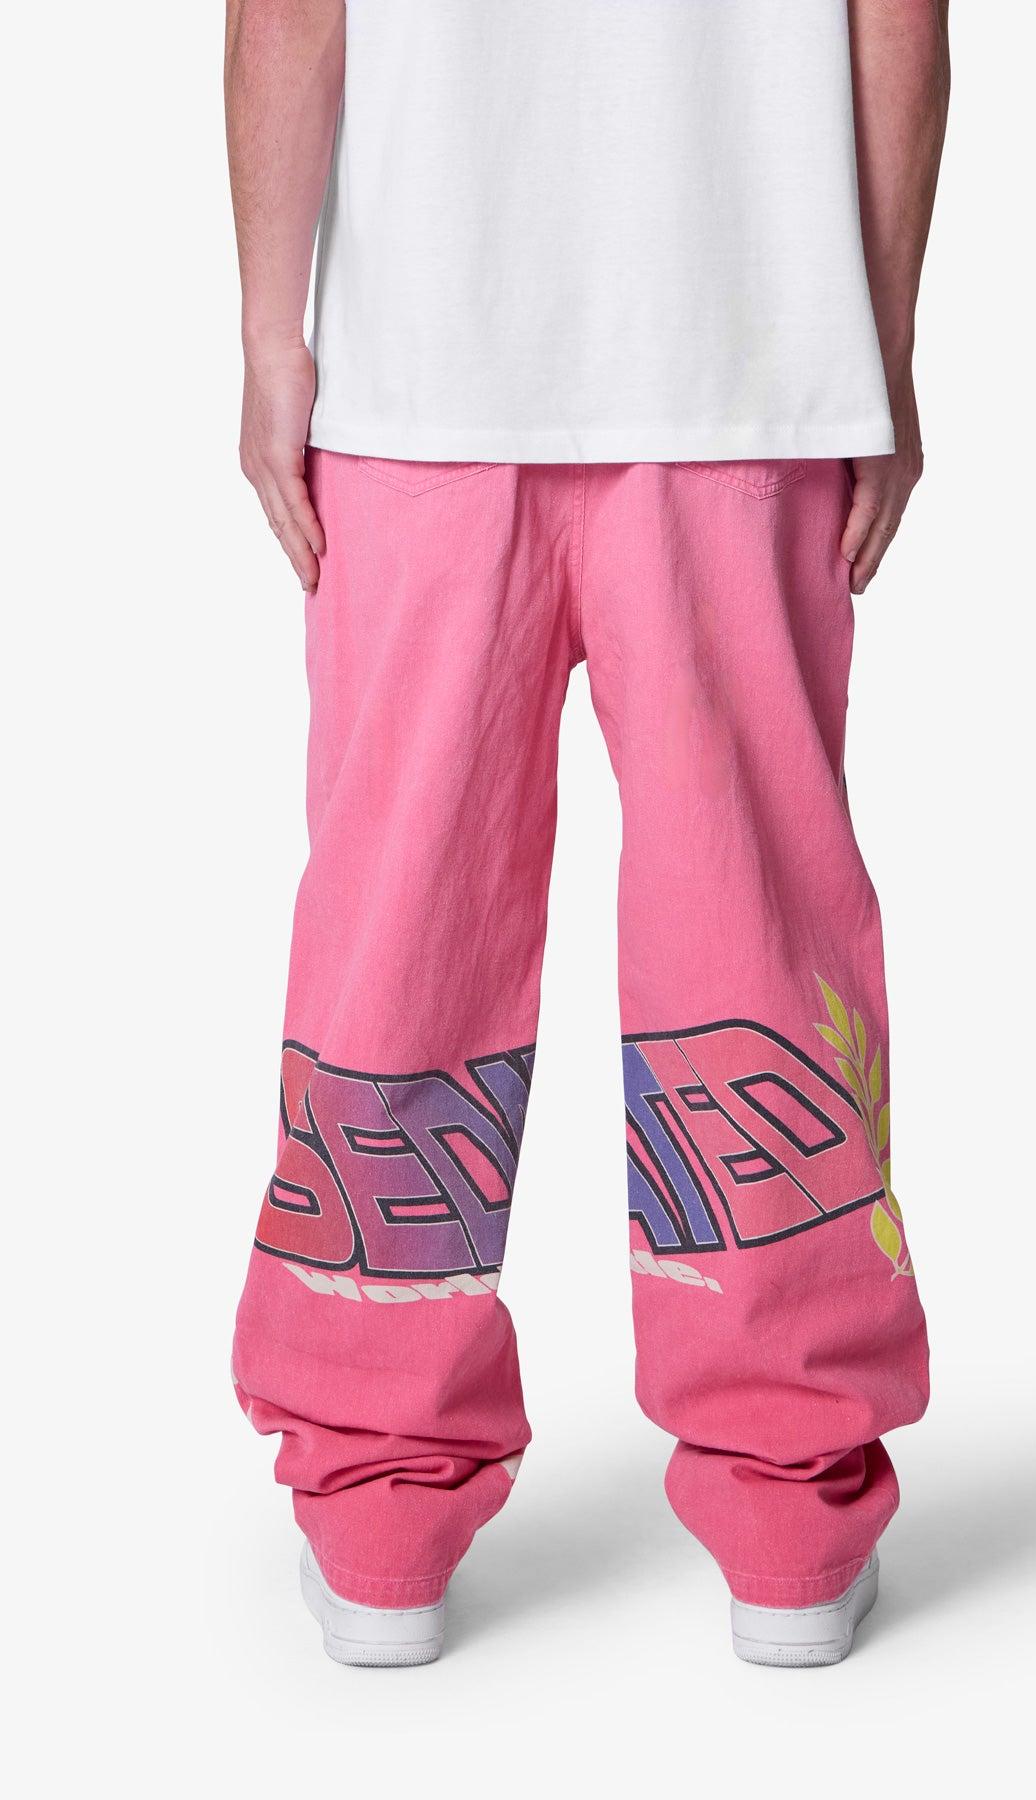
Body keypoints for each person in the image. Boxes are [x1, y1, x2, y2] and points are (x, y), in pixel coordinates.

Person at [225, 0, 950, 1668]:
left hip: (424, 366)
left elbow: (288, 14)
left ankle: (378, 1512)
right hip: (747, 364)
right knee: (758, 939)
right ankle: (791, 1514)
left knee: (399, 933)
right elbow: (896, 19)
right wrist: (880, 345)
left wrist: (272, 335)